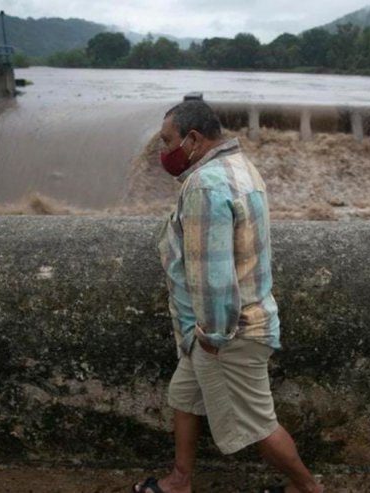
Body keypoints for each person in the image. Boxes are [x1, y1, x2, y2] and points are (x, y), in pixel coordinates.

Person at [133, 100, 324, 493]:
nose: (162, 151)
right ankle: (179, 481)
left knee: (257, 426)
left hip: (226, 333)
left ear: (193, 139)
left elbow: (213, 275)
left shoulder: (205, 185)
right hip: (212, 327)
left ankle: (308, 489)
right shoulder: (240, 167)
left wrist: (213, 337)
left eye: (167, 141)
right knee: (184, 397)